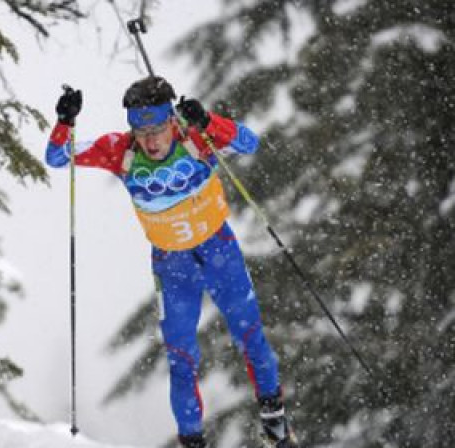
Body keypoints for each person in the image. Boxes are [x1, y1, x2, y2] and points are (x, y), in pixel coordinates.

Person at [45, 76, 299, 448]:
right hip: (172, 266)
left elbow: (250, 142)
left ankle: (275, 422)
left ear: (172, 121)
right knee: (181, 360)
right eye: (140, 130)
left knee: (251, 336)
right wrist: (65, 122)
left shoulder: (197, 138)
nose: (149, 140)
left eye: (157, 128)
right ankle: (192, 442)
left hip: (219, 252)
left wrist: (209, 121)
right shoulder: (119, 150)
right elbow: (56, 158)